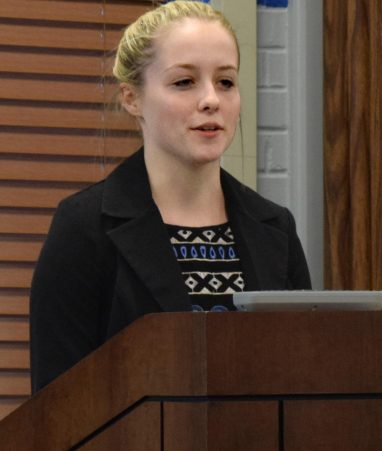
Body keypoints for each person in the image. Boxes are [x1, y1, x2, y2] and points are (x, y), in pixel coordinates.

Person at [29, 0, 311, 393]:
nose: (211, 99)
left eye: (226, 81)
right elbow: (55, 408)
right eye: (184, 82)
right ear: (132, 99)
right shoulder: (84, 227)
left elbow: (305, 384)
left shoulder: (275, 227)